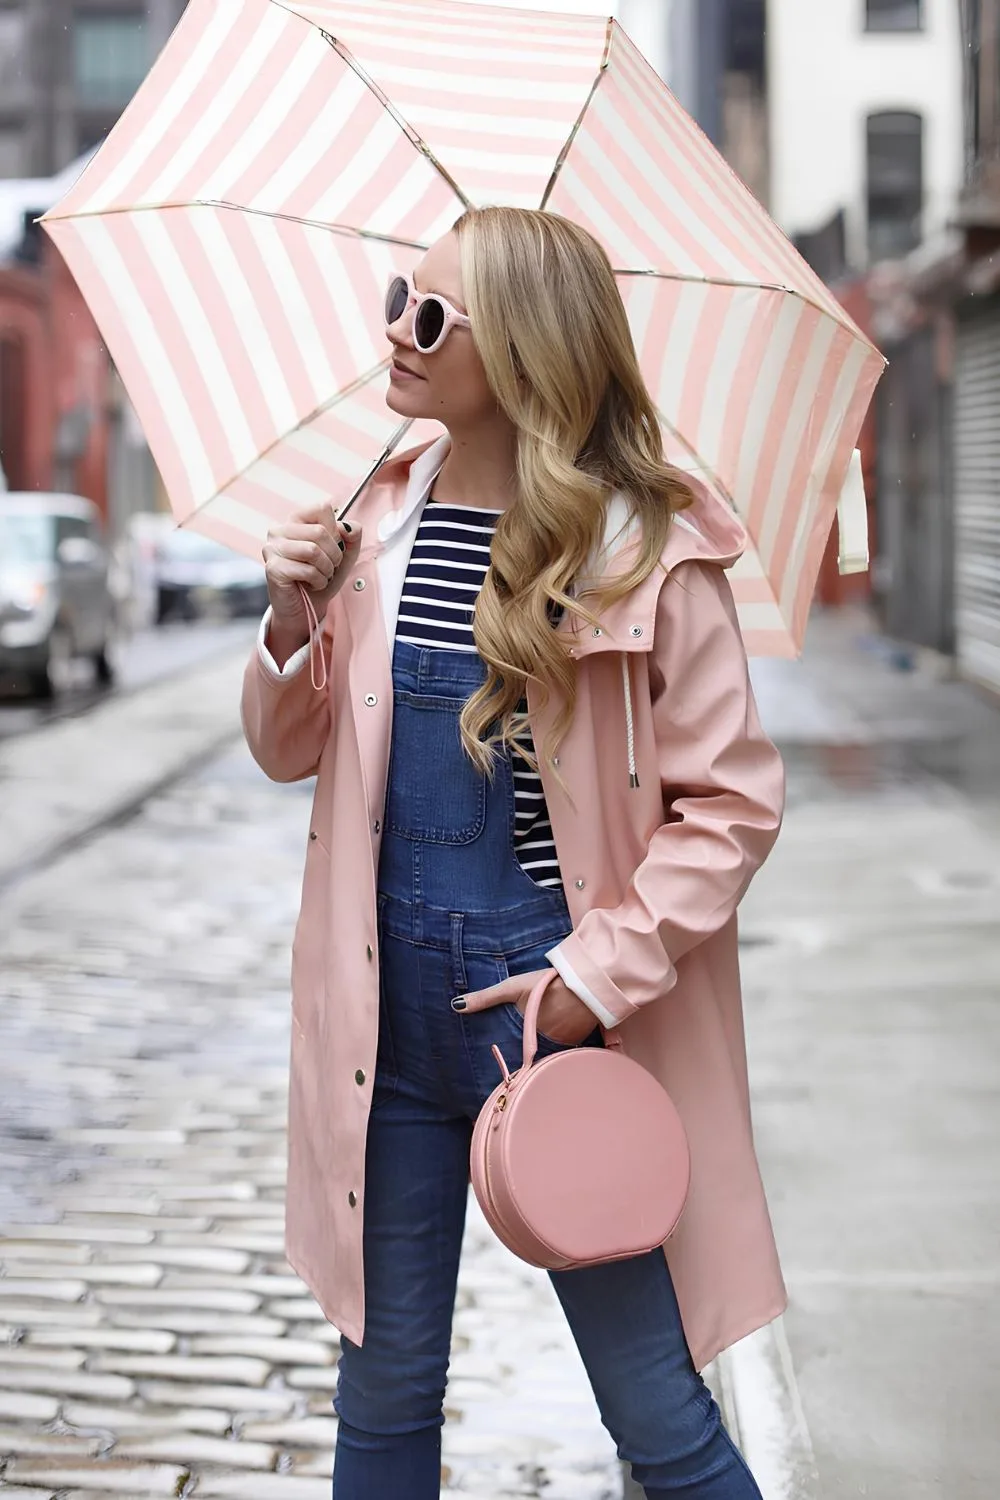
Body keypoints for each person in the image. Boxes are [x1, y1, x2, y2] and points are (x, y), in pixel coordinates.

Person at [241, 207, 787, 1500]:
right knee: (381, 1394)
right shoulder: (376, 527)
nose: (396, 332)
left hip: (546, 1014)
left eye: (431, 316)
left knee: (654, 1407)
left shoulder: (646, 552)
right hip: (386, 1023)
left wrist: (594, 982)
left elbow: (734, 806)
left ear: (528, 353)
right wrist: (288, 617)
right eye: (395, 297)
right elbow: (288, 750)